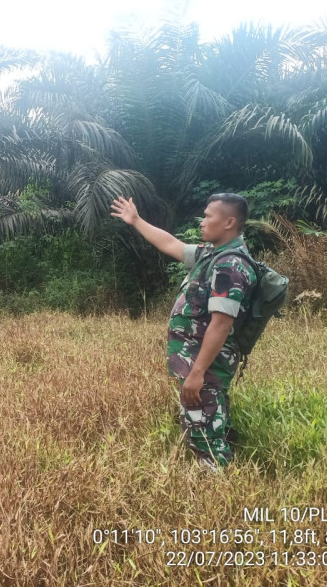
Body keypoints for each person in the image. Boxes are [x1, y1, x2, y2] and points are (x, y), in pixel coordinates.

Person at [110, 193, 256, 470]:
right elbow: (172, 244)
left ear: (229, 222)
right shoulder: (211, 254)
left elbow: (221, 324)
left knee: (205, 433)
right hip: (197, 362)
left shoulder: (230, 265)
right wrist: (136, 220)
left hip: (206, 364)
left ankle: (216, 488)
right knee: (205, 421)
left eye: (208, 216)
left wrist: (197, 373)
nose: (202, 221)